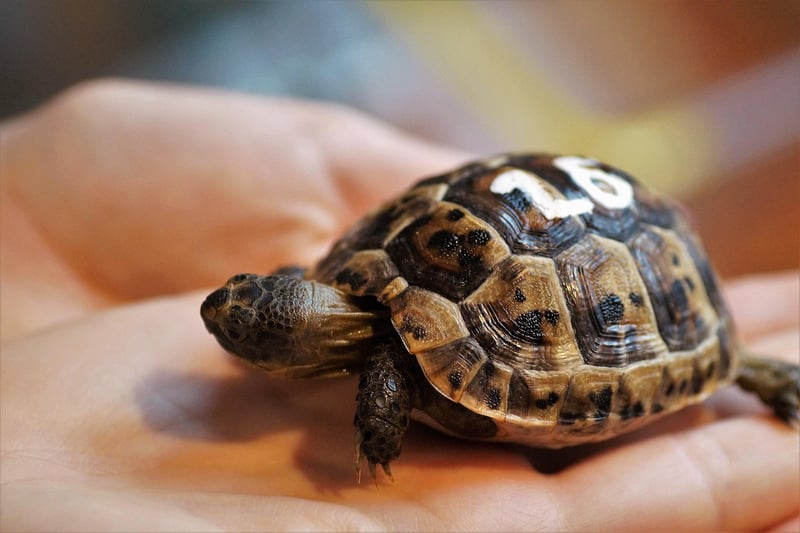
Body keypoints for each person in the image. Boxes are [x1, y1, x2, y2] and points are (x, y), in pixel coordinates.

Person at [1, 80, 797, 531]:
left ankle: (734, 364)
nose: (223, 318)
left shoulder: (381, 354)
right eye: (244, 317)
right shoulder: (346, 277)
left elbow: (389, 362)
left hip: (617, 267)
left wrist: (376, 434)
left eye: (243, 323)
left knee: (390, 361)